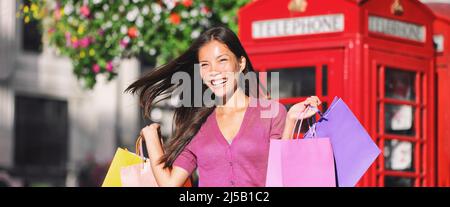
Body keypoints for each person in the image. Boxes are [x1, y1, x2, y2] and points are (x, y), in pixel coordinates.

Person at [126, 26, 321, 187]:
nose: (214, 72)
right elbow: (169, 184)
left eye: (222, 61)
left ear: (241, 62)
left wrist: (291, 122)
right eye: (205, 65)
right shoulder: (197, 123)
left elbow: (281, 177)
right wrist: (151, 137)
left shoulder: (271, 113)